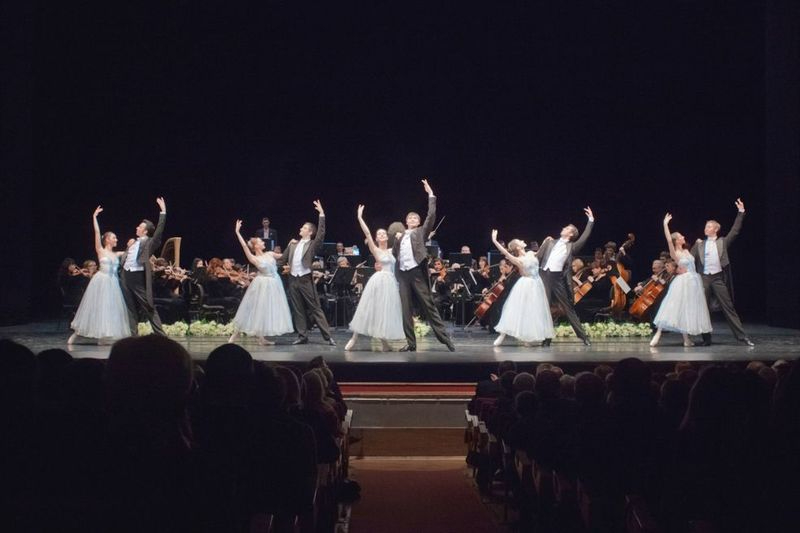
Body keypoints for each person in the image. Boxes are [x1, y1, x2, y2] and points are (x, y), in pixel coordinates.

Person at [392, 178, 455, 352]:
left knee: (428, 306)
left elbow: (431, 216)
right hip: (403, 274)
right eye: (409, 217)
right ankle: (411, 343)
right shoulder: (401, 235)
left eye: (415, 217)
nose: (412, 218)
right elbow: (394, 254)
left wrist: (431, 195)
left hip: (416, 272)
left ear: (418, 222)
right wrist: (397, 240)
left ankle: (445, 339)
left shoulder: (421, 232)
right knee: (405, 310)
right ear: (406, 221)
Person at [690, 198, 754, 346]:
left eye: (708, 227)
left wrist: (741, 212)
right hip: (704, 278)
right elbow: (688, 258)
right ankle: (706, 339)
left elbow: (735, 231)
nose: (705, 228)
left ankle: (742, 336)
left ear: (715, 229)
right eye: (706, 226)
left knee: (728, 307)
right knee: (704, 308)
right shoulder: (699, 244)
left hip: (718, 278)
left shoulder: (723, 242)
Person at [345, 205, 405, 351]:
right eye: (379, 234)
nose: (382, 235)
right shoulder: (375, 249)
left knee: (384, 311)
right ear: (377, 238)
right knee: (368, 308)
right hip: (378, 280)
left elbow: (407, 240)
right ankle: (354, 338)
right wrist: (360, 217)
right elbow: (366, 233)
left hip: (390, 282)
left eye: (384, 233)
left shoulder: (393, 250)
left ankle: (384, 342)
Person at [68, 206, 131, 344]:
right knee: (95, 308)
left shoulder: (117, 254)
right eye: (114, 237)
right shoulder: (100, 250)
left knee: (109, 310)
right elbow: (97, 232)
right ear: (107, 239)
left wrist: (133, 243)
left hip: (113, 283)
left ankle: (104, 336)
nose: (116, 239)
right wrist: (94, 217)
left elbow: (130, 251)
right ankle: (77, 334)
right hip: (101, 282)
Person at [277, 200, 335, 345]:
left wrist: (322, 214)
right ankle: (302, 336)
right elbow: (282, 260)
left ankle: (328, 337)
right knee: (298, 309)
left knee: (315, 308)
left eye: (304, 228)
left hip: (305, 279)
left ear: (309, 231)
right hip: (293, 279)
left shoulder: (312, 244)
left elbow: (321, 234)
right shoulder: (293, 244)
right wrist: (267, 267)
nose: (301, 229)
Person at [536, 207, 595, 346]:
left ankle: (583, 337)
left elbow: (585, 237)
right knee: (545, 308)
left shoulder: (572, 246)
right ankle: (547, 338)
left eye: (567, 228)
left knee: (568, 307)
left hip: (557, 279)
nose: (563, 228)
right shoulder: (550, 242)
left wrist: (591, 220)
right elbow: (538, 257)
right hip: (544, 275)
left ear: (571, 234)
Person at [650, 214, 712, 347]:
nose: (683, 237)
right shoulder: (675, 253)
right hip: (683, 282)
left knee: (687, 309)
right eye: (681, 237)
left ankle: (686, 339)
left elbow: (691, 264)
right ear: (677, 240)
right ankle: (658, 333)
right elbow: (668, 239)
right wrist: (665, 224)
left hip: (693, 281)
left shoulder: (686, 251)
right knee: (672, 307)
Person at [228, 220, 294, 345]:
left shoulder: (270, 253)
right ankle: (235, 334)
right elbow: (244, 246)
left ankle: (262, 339)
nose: (264, 242)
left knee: (266, 310)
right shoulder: (254, 258)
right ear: (256, 246)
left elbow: (284, 255)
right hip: (261, 284)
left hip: (274, 283)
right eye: (261, 241)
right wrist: (237, 232)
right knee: (252, 308)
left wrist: (290, 244)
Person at [490, 230, 555, 346]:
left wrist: (545, 241)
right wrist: (494, 240)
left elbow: (539, 252)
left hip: (536, 284)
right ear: (517, 247)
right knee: (516, 310)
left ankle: (527, 337)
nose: (523, 241)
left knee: (532, 311)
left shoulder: (530, 253)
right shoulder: (518, 260)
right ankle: (502, 335)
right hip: (526, 284)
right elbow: (505, 251)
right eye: (520, 241)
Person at [120, 197, 167, 336]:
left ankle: (161, 336)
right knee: (129, 307)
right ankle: (133, 336)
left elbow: (159, 232)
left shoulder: (150, 242)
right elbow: (126, 257)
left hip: (137, 276)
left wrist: (163, 212)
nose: (137, 227)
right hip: (125, 275)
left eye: (140, 227)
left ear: (145, 231)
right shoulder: (133, 242)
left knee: (148, 306)